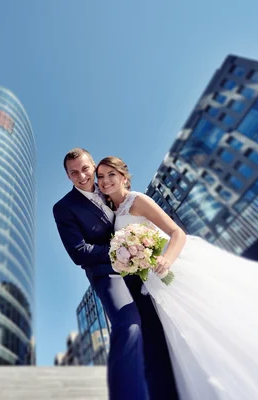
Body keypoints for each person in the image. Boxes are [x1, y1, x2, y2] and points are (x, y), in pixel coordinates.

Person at [96, 155, 258, 400]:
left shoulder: (138, 200)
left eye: (111, 174)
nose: (105, 180)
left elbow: (178, 233)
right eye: (101, 177)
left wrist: (167, 260)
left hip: (174, 270)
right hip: (152, 284)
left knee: (218, 326)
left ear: (123, 176)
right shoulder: (114, 213)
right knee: (187, 342)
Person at [53, 148, 178, 400]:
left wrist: (136, 254)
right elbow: (79, 252)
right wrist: (122, 252)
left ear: (93, 166)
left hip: (138, 271)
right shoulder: (64, 207)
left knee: (154, 331)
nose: (82, 176)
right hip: (106, 275)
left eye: (86, 169)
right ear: (68, 176)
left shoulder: (108, 190)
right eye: (74, 172)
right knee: (128, 324)